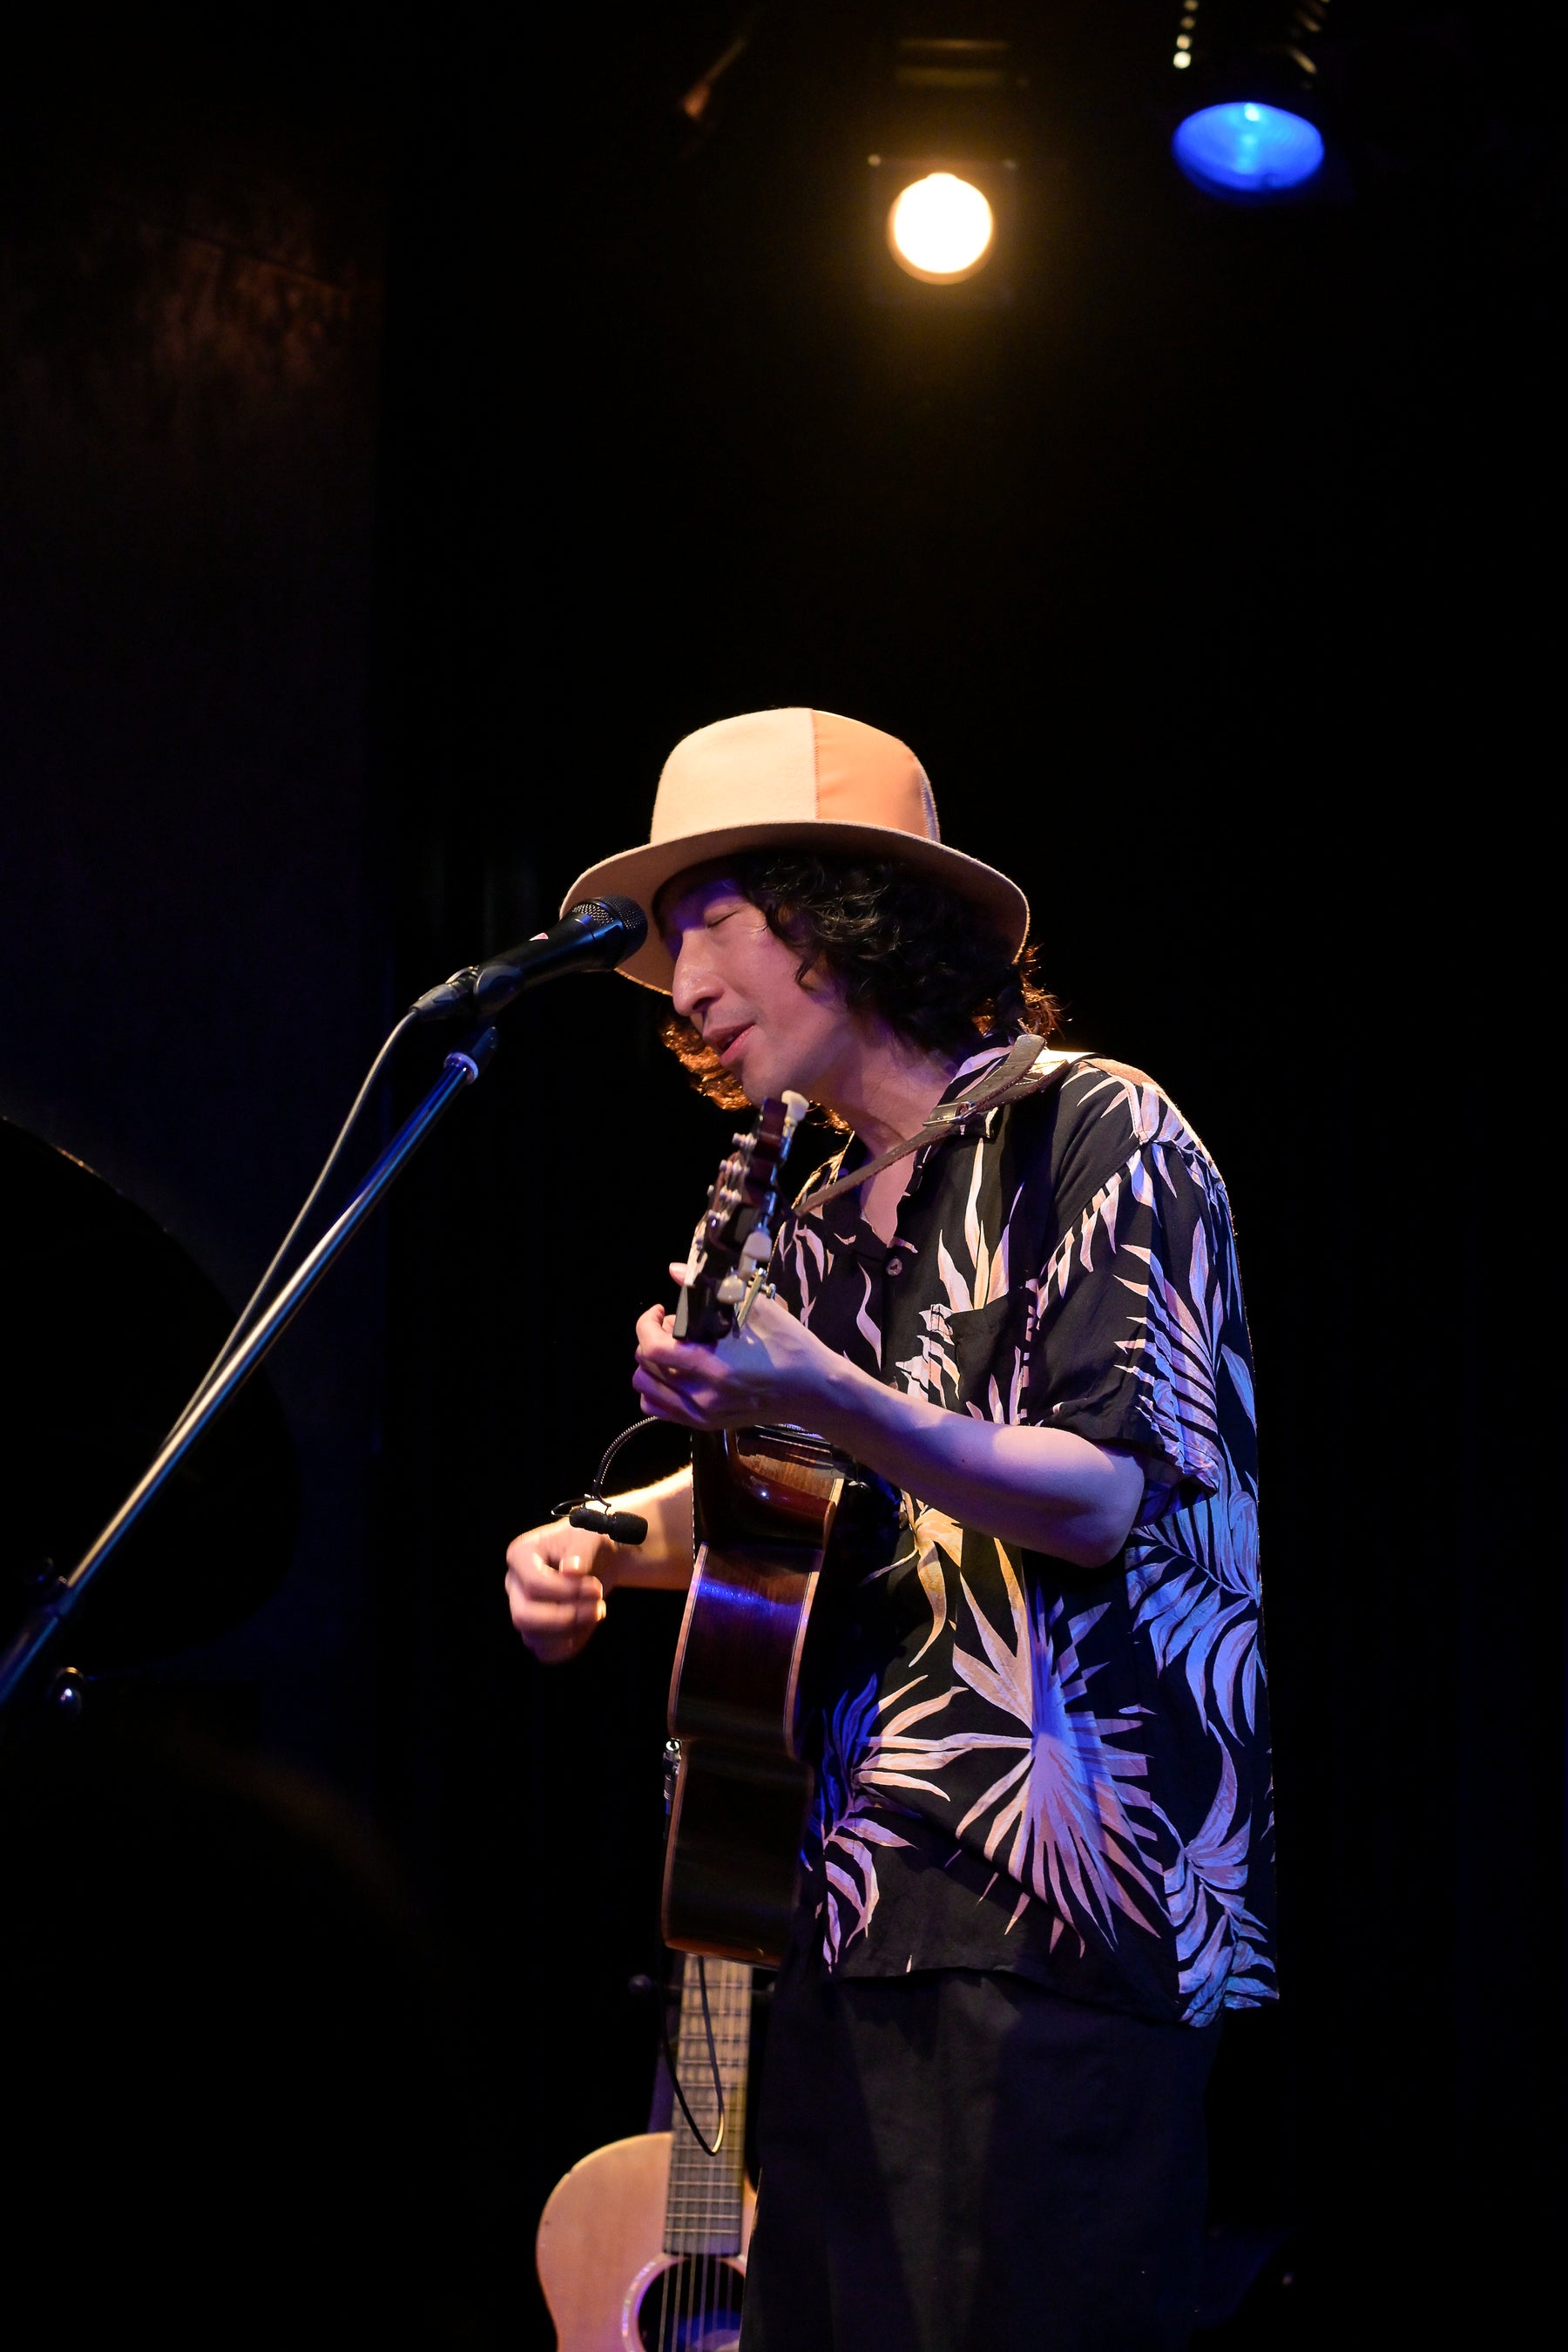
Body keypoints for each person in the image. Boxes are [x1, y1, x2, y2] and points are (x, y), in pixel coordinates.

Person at [506, 708, 1274, 2351]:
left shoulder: (1094, 1129)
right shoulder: (803, 1215)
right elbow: (796, 1498)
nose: (681, 981)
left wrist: (824, 1394)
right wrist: (601, 1540)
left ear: (846, 916)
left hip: (1055, 1911)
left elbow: (1101, 1493)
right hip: (830, 1912)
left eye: (714, 918)